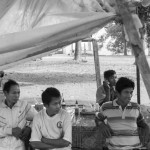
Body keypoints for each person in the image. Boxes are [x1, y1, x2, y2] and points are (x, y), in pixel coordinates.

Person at [96, 77, 150, 150]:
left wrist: (146, 130)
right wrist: (101, 125)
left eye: (131, 92)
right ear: (117, 93)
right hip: (114, 148)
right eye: (126, 92)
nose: (129, 96)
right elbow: (97, 118)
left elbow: (142, 123)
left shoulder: (136, 107)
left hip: (136, 148)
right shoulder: (106, 107)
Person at [0, 79, 37, 150]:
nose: (17, 95)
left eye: (18, 93)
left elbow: (39, 118)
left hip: (19, 147)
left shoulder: (24, 106)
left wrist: (29, 127)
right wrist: (10, 131)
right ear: (5, 93)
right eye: (14, 93)